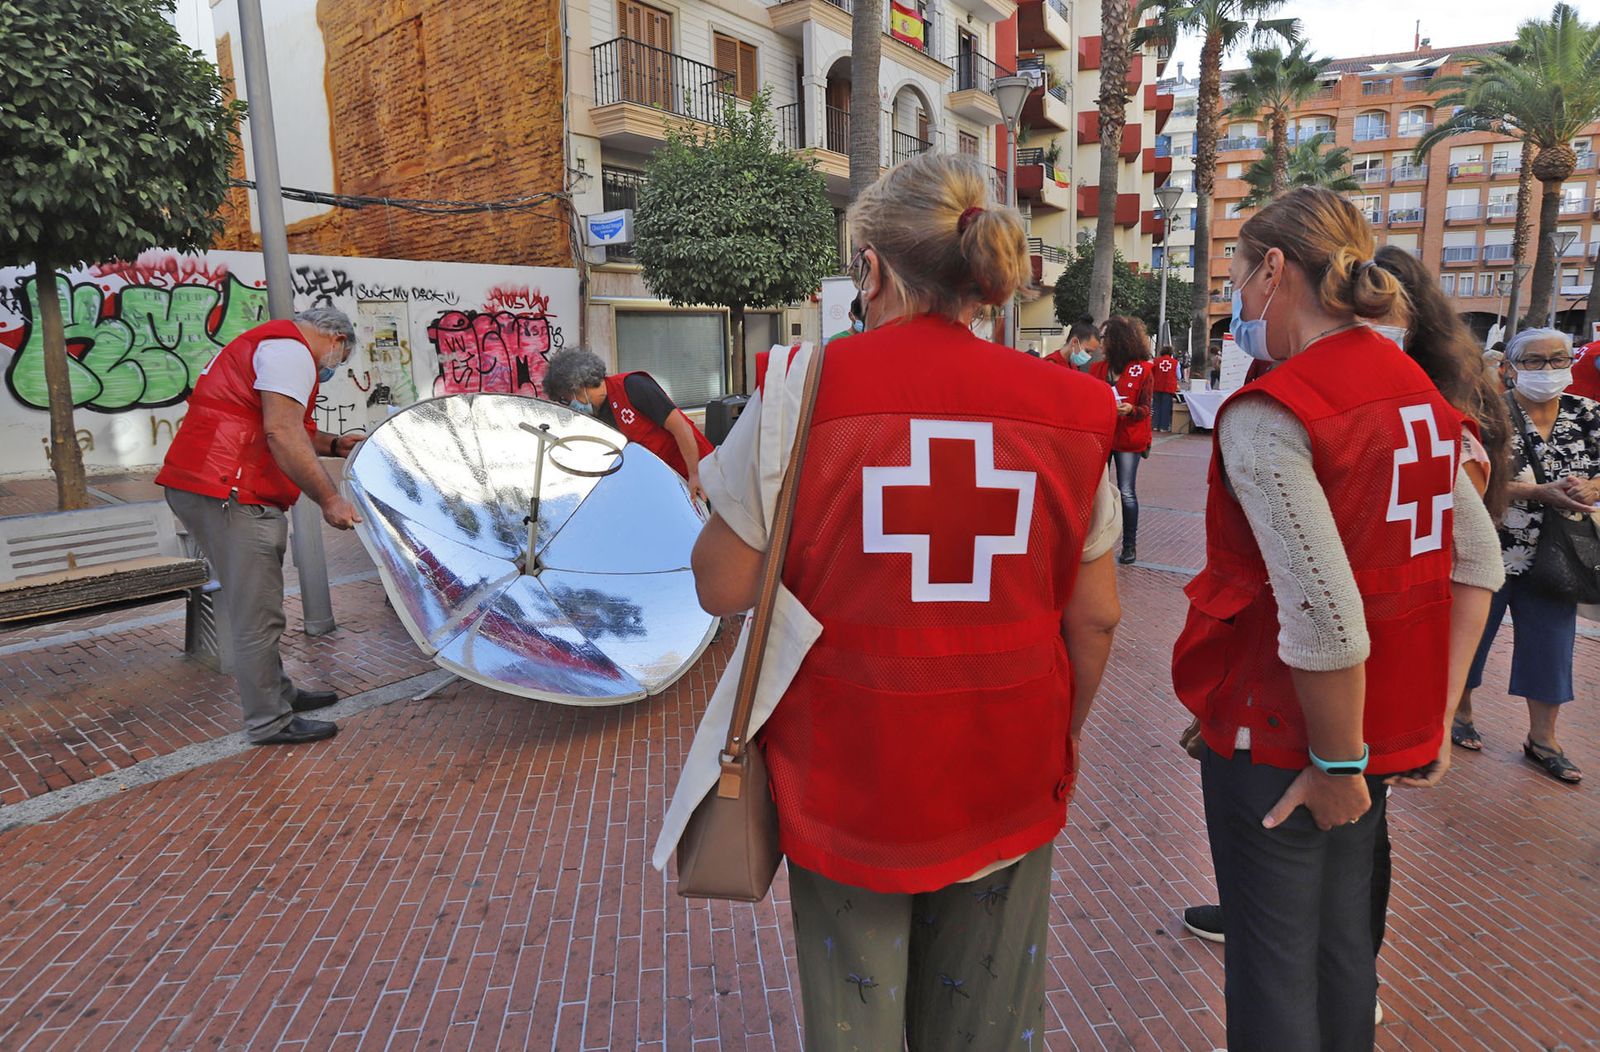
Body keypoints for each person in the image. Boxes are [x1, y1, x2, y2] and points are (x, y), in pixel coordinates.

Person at [684, 153, 1124, 1050]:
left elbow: (722, 583)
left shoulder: (801, 392)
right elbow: (1098, 616)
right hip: (1006, 765)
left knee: (859, 1026)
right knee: (989, 1025)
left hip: (850, 779)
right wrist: (1060, 731)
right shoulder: (1076, 408)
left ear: (873, 269)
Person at [1169, 187, 1502, 1051]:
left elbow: (1323, 617)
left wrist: (1334, 761)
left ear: (1276, 270)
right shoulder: (1421, 397)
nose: (1240, 306)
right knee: (1345, 954)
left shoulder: (1275, 408)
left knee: (1274, 972)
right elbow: (1478, 562)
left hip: (1285, 739)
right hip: (1368, 737)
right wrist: (1428, 718)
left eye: (1240, 282)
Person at [155, 307, 365, 746]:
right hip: (231, 490)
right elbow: (282, 433)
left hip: (213, 484)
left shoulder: (270, 346)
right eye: (339, 360)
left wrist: (334, 444)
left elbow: (282, 425)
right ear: (335, 339)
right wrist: (329, 499)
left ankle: (278, 693)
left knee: (259, 603)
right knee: (258, 613)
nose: (333, 368)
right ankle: (269, 721)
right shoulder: (290, 352)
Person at [1455, 327, 1600, 783]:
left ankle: (1544, 740)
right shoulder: (1486, 415)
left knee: (1552, 645)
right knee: (1470, 639)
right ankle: (1460, 713)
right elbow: (1465, 478)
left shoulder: (1588, 414)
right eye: (1534, 361)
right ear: (1509, 368)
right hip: (1489, 547)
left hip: (1558, 553)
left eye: (1557, 359)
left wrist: (1592, 487)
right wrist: (1538, 491)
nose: (1547, 369)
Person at [542, 348, 714, 501]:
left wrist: (695, 474)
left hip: (699, 473)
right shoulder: (599, 415)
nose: (570, 403)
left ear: (580, 385)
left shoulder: (632, 386)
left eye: (568, 397)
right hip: (668, 482)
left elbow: (680, 427)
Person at [1090, 317, 1154, 565]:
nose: (1101, 343)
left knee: (1126, 491)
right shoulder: (1097, 370)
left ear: (1118, 341)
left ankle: (1129, 546)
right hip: (1102, 437)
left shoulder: (1143, 370)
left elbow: (1146, 409)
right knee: (1096, 491)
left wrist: (1130, 410)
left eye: (1105, 338)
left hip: (1128, 439)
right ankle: (1095, 540)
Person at [1152, 344, 1182, 432]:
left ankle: (1155, 425)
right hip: (1168, 387)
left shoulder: (1155, 361)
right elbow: (1179, 376)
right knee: (1166, 407)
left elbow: (1152, 373)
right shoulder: (1175, 363)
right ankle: (1163, 427)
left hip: (1156, 386)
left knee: (1156, 406)